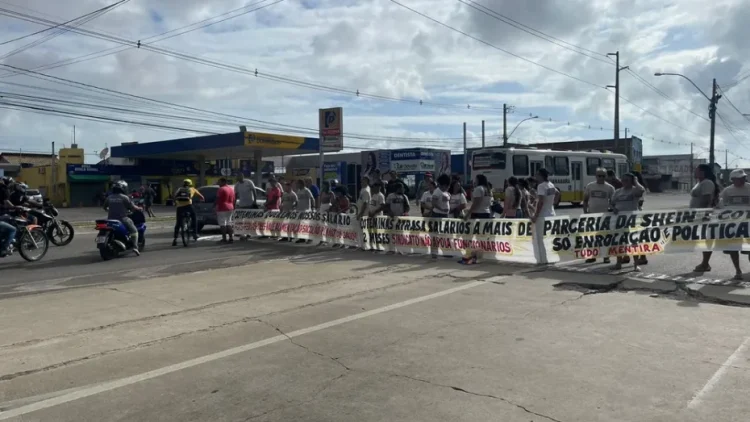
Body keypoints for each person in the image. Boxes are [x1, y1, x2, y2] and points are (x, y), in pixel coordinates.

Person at [716, 169, 750, 280]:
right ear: (733, 179)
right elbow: (721, 205)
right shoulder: (727, 191)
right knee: (734, 248)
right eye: (739, 178)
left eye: (743, 178)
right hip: (733, 224)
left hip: (748, 223)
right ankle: (738, 270)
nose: (742, 180)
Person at [610, 173, 646, 271]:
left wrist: (636, 181)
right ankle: (618, 263)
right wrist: (613, 209)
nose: (624, 182)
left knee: (634, 242)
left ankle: (636, 264)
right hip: (619, 220)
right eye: (623, 180)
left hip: (632, 220)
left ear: (631, 181)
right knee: (619, 241)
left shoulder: (635, 190)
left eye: (627, 180)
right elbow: (612, 203)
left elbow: (641, 190)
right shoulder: (617, 192)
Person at [691, 164, 721, 273]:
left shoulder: (707, 183)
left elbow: (706, 199)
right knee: (703, 239)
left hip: (704, 216)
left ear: (703, 172)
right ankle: (705, 263)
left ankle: (705, 263)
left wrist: (700, 215)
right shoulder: (700, 183)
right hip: (699, 215)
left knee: (706, 239)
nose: (695, 172)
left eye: (697, 170)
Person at [582, 168, 616, 263]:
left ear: (606, 176)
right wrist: (585, 212)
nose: (601, 178)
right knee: (592, 236)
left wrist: (612, 210)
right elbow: (585, 200)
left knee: (605, 236)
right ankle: (592, 255)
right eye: (599, 175)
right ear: (595, 176)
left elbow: (613, 202)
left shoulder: (610, 188)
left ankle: (606, 256)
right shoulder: (590, 186)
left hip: (605, 216)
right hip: (592, 215)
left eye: (603, 176)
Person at [103, 180, 142, 256]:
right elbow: (133, 207)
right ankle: (135, 247)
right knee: (134, 231)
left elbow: (104, 207)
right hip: (122, 219)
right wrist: (139, 208)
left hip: (110, 220)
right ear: (123, 188)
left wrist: (110, 210)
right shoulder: (124, 197)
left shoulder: (109, 197)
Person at [171, 179, 204, 247]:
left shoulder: (179, 189)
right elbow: (201, 197)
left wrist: (175, 203)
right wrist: (202, 200)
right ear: (190, 183)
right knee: (194, 217)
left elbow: (174, 197)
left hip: (179, 207)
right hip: (189, 206)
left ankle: (175, 239)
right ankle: (195, 233)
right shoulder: (192, 189)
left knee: (178, 222)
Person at [215, 177, 235, 244]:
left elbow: (218, 198)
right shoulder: (231, 189)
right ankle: (231, 238)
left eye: (219, 182)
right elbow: (234, 199)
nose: (218, 183)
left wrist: (214, 206)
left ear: (223, 182)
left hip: (222, 208)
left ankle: (224, 239)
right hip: (230, 207)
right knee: (229, 223)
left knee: (222, 224)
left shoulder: (221, 189)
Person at [0, 178, 17, 257]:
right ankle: (5, 248)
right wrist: (14, 207)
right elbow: (6, 202)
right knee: (13, 229)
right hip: (2, 214)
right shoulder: (4, 189)